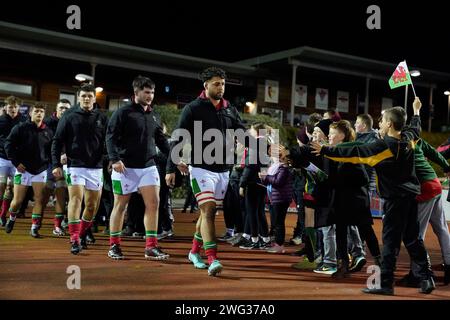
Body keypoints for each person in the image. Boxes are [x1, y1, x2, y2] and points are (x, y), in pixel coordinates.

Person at [311, 97, 435, 295]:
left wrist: (326, 149)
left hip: (395, 200)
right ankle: (426, 278)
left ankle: (385, 284)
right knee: (412, 238)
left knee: (390, 242)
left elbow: (355, 150)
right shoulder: (409, 138)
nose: (379, 123)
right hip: (411, 196)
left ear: (389, 124)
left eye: (382, 120)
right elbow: (416, 127)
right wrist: (417, 111)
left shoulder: (383, 147)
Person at [165, 67, 246, 276]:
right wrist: (170, 167)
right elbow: (178, 138)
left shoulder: (230, 109)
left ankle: (193, 252)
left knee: (206, 213)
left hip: (224, 169)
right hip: (200, 168)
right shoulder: (193, 108)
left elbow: (242, 134)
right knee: (209, 210)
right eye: (217, 84)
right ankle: (212, 258)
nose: (221, 87)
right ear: (206, 85)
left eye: (223, 84)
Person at [106, 75, 170, 260]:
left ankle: (151, 247)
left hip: (148, 167)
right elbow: (110, 137)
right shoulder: (122, 113)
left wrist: (175, 158)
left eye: (152, 92)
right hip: (125, 168)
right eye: (146, 92)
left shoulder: (155, 114)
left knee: (154, 204)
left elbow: (160, 140)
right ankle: (114, 246)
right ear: (136, 92)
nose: (150, 96)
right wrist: (115, 159)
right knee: (120, 206)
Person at [52, 83, 108, 254]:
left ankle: (82, 233)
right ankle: (74, 238)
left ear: (94, 98)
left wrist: (112, 159)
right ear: (78, 97)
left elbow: (109, 141)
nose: (86, 99)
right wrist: (56, 164)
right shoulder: (68, 116)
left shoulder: (101, 117)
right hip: (75, 165)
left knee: (91, 206)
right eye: (83, 96)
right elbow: (57, 141)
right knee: (76, 200)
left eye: (89, 96)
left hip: (96, 167)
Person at [4, 103, 53, 237]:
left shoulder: (48, 132)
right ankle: (12, 218)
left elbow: (51, 151)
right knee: (17, 201)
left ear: (44, 114)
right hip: (23, 170)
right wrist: (16, 162)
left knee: (39, 200)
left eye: (41, 111)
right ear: (30, 113)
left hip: (40, 170)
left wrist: (52, 163)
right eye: (36, 111)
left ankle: (34, 227)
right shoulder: (20, 128)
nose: (39, 114)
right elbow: (8, 145)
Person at [43, 99, 71, 236]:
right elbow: (44, 143)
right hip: (49, 162)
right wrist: (57, 156)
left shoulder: (72, 121)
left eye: (66, 108)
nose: (64, 111)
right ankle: (36, 221)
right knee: (45, 193)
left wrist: (67, 155)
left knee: (62, 192)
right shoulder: (48, 122)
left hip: (67, 163)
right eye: (61, 108)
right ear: (56, 109)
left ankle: (58, 225)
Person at [0, 96, 27, 226]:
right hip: (2, 159)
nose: (13, 109)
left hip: (17, 162)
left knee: (11, 189)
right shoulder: (0, 120)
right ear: (5, 107)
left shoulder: (23, 121)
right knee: (1, 186)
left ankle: (2, 215)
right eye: (10, 107)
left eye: (15, 107)